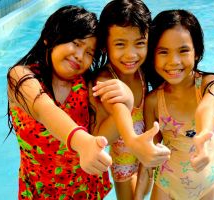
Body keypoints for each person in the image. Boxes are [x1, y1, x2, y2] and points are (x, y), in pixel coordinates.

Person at [7, 5, 133, 199]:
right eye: (75, 43)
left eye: (89, 52)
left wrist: (127, 103)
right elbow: (44, 109)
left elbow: (101, 136)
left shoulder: (87, 87)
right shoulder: (21, 77)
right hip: (40, 191)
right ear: (49, 37)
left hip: (84, 190)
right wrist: (82, 143)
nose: (80, 56)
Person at [135, 10, 214, 200]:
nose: (173, 61)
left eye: (183, 50)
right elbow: (149, 156)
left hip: (206, 188)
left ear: (197, 52)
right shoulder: (154, 101)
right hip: (166, 187)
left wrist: (202, 137)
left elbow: (206, 109)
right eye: (163, 52)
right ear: (152, 56)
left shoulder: (212, 85)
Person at [89, 1, 171, 199]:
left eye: (139, 43)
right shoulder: (105, 80)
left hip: (145, 156)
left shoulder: (142, 72)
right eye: (120, 44)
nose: (131, 54)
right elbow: (118, 109)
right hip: (123, 163)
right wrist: (134, 143)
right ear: (105, 46)